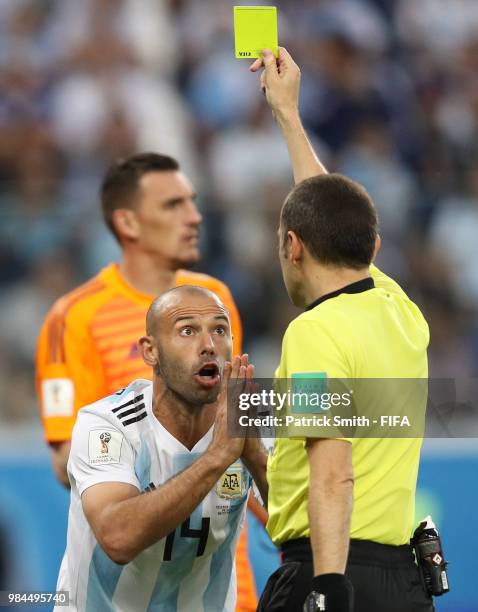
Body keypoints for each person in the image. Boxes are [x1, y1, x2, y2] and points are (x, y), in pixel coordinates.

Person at [248, 49, 433, 611]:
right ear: (372, 249)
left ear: (292, 246)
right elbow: (328, 208)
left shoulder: (315, 333)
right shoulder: (401, 309)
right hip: (404, 581)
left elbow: (333, 473)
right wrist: (288, 114)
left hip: (330, 571)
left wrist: (327, 587)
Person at [35, 152, 258, 611]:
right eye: (173, 205)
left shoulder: (216, 300)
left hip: (221, 583)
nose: (194, 217)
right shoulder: (73, 317)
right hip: (132, 572)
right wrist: (170, 451)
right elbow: (65, 461)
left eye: (193, 203)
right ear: (129, 223)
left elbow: (234, 424)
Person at [55, 285, 268, 612]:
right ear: (149, 351)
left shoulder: (252, 418)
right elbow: (117, 538)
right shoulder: (107, 425)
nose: (209, 346)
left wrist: (255, 457)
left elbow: (307, 529)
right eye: (187, 331)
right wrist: (217, 457)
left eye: (220, 330)